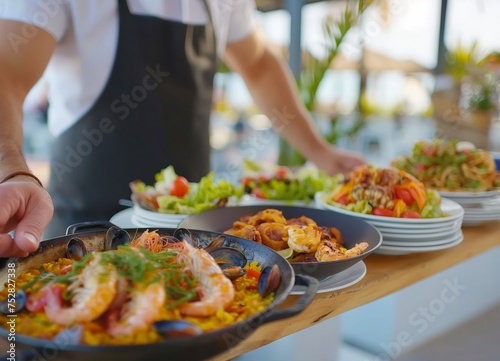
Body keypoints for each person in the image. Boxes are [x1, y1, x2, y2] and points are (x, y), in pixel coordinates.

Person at [0, 0, 366, 258]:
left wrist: (320, 152)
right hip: (85, 231)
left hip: (196, 236)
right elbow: (7, 73)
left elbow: (258, 65)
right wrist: (12, 170)